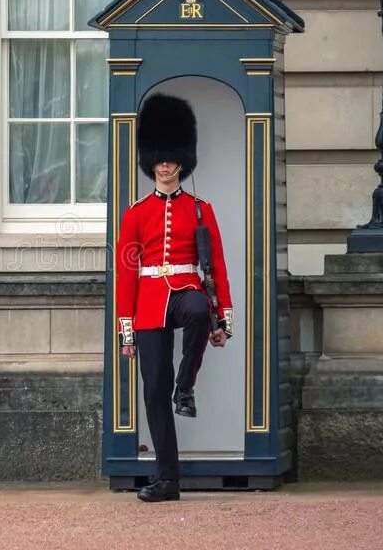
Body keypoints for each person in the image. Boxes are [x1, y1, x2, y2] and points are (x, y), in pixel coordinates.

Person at [115, 93, 233, 503]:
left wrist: (224, 319)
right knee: (153, 392)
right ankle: (167, 479)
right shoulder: (135, 213)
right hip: (148, 304)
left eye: (170, 158)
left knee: (198, 308)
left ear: (182, 161)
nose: (164, 165)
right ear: (151, 162)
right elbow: (128, 272)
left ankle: (187, 385)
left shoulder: (201, 209)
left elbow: (216, 266)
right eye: (158, 159)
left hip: (185, 290)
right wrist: (126, 330)